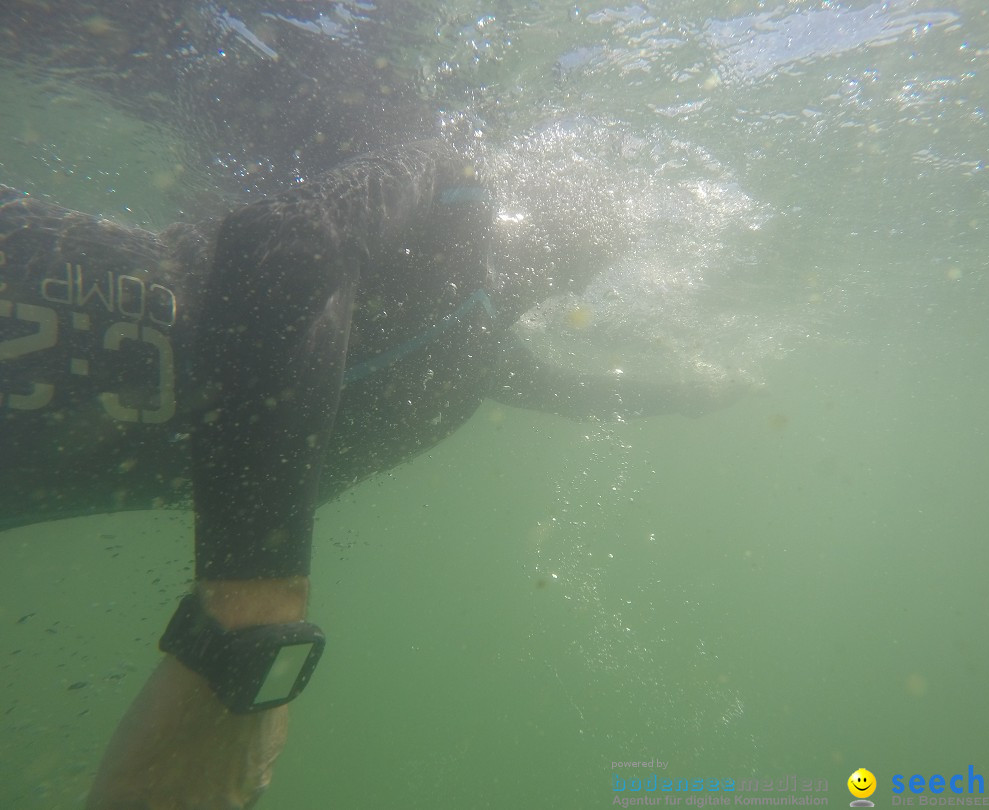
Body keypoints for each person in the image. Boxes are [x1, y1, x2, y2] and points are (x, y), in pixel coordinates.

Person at [1, 137, 737, 807]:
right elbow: (282, 240)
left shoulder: (473, 347)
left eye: (605, 245)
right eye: (596, 216)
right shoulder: (455, 184)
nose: (595, 245)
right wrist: (251, 623)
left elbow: (580, 393)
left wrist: (695, 393)